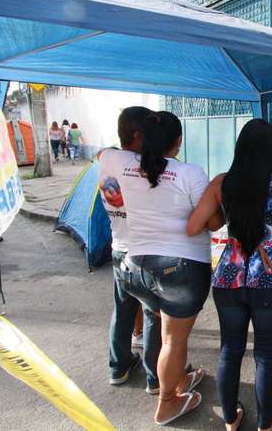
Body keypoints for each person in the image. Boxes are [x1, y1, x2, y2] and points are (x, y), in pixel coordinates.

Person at [187, 119, 272, 431]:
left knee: (230, 349)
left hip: (228, 277)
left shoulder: (221, 183)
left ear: (240, 147)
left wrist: (220, 217)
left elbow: (194, 226)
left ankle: (230, 420)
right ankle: (266, 425)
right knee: (266, 357)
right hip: (269, 280)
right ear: (271, 149)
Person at [99, 111, 211, 426]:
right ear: (178, 141)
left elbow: (103, 152)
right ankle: (166, 401)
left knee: (162, 328)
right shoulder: (189, 173)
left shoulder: (117, 162)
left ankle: (172, 380)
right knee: (172, 337)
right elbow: (210, 221)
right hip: (177, 268)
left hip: (132, 267)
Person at [98, 107, 160, 395]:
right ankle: (155, 376)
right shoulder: (144, 165)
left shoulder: (107, 157)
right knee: (152, 313)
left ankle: (118, 366)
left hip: (119, 248)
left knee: (122, 310)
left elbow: (101, 152)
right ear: (138, 136)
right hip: (144, 252)